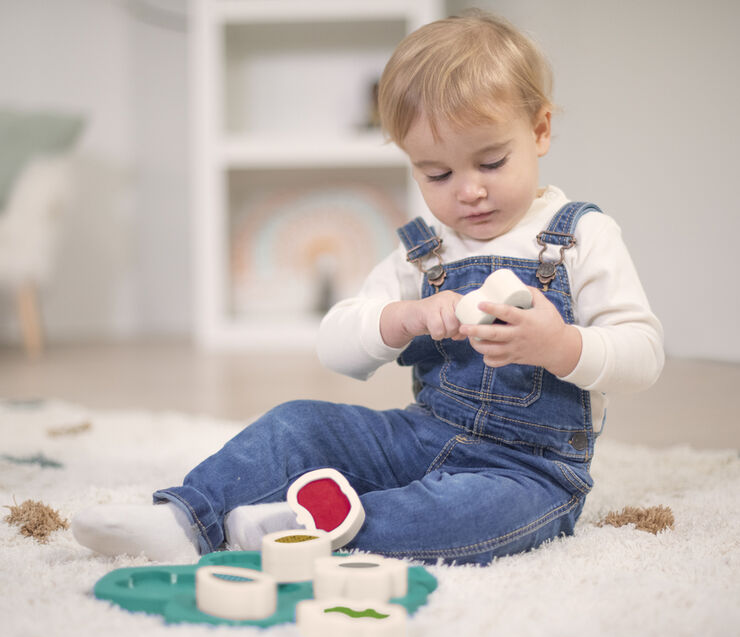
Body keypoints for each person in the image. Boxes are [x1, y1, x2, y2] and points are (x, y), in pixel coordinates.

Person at [73, 11, 663, 566]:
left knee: (460, 519)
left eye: (490, 162)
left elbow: (643, 354)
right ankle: (186, 520)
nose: (468, 192)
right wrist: (401, 318)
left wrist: (559, 347)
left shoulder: (580, 236)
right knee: (298, 423)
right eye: (437, 174)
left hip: (527, 471)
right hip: (420, 434)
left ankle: (296, 532)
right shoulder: (426, 250)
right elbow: (335, 344)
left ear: (539, 131)